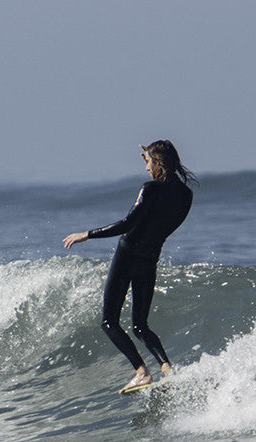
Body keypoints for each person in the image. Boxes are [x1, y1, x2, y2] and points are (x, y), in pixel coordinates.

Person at [63, 140, 196, 393]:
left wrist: (87, 234)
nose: (146, 168)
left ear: (158, 162)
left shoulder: (150, 189)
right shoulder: (186, 196)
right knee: (140, 325)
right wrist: (152, 155)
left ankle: (141, 372)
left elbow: (127, 223)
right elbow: (162, 225)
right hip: (150, 258)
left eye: (148, 162)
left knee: (109, 322)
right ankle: (166, 367)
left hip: (128, 254)